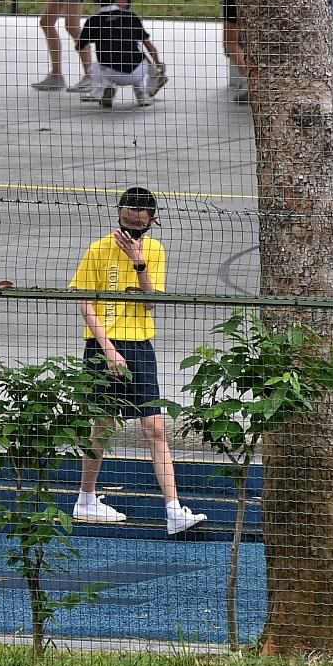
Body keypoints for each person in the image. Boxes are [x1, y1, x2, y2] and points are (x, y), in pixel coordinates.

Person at [69, 187, 207, 536]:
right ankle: (86, 497)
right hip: (104, 346)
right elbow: (86, 303)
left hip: (140, 343)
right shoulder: (98, 249)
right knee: (103, 424)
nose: (130, 230)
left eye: (138, 225)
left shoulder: (154, 251)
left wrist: (138, 260)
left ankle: (174, 509)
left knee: (155, 427)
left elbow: (150, 302)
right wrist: (107, 348)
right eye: (125, 222)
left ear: (151, 222)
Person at [75, 0, 167, 109]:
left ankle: (106, 86)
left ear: (94, 0)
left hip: (112, 73)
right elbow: (149, 46)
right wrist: (158, 63)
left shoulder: (92, 22)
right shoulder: (131, 17)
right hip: (137, 72)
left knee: (95, 67)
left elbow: (79, 46)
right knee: (138, 49)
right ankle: (142, 93)